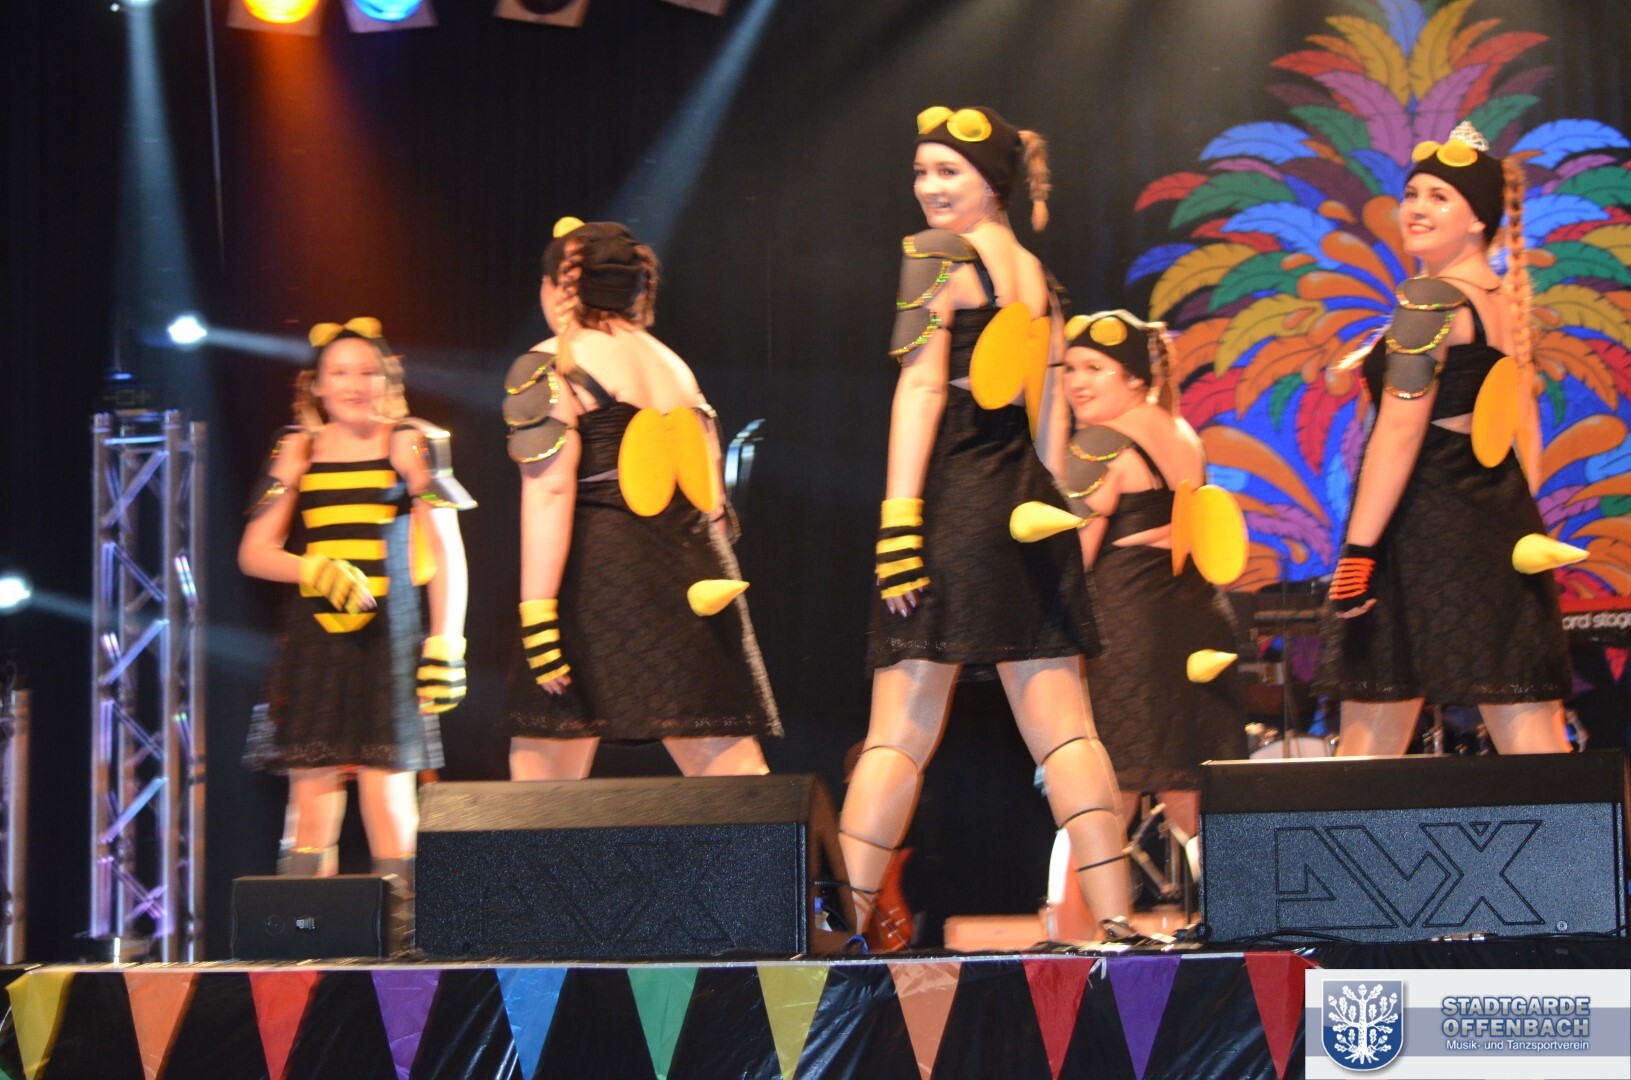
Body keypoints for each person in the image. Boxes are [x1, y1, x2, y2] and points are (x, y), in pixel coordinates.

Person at [838, 107, 1129, 941]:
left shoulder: (937, 255)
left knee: (897, 734)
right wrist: (1054, 515)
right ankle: (1118, 922)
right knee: (1065, 732)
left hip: (954, 502)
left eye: (947, 171)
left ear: (991, 181)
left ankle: (837, 933)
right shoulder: (1037, 275)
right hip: (1028, 509)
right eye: (921, 171)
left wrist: (899, 523)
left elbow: (923, 386)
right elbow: (1051, 420)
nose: (928, 187)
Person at [1314, 121, 1574, 756]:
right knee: (1531, 732)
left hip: (1423, 526)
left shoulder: (1430, 300)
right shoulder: (1498, 300)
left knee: (1367, 745)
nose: (1417, 208)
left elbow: (1400, 432)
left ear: (1478, 219)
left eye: (1439, 197)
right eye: (1412, 194)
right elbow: (1522, 433)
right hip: (1496, 520)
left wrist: (1359, 552)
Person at [502, 219, 778, 780]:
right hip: (699, 569)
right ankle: (774, 844)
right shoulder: (673, 364)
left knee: (543, 766)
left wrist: (537, 614)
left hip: (607, 574)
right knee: (726, 763)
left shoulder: (550, 362)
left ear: (561, 286)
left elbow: (550, 489)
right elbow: (713, 504)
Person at [240, 318, 472, 889]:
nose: (354, 383)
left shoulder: (408, 441)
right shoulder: (297, 447)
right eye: (339, 372)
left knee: (388, 792)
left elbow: (447, 550)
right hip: (316, 640)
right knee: (311, 799)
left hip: (388, 638)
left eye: (367, 371)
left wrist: (447, 642)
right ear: (316, 384)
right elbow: (254, 552)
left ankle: (403, 932)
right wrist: (313, 568)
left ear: (387, 379)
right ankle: (307, 927)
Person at [1058, 309, 1246, 844]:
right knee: (1190, 797)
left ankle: (1086, 905)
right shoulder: (1183, 434)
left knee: (1100, 802)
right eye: (1069, 369)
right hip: (1198, 625)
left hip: (1130, 636)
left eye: (1095, 368)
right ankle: (1237, 897)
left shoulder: (1098, 445)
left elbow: (1070, 562)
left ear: (1136, 378)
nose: (1077, 382)